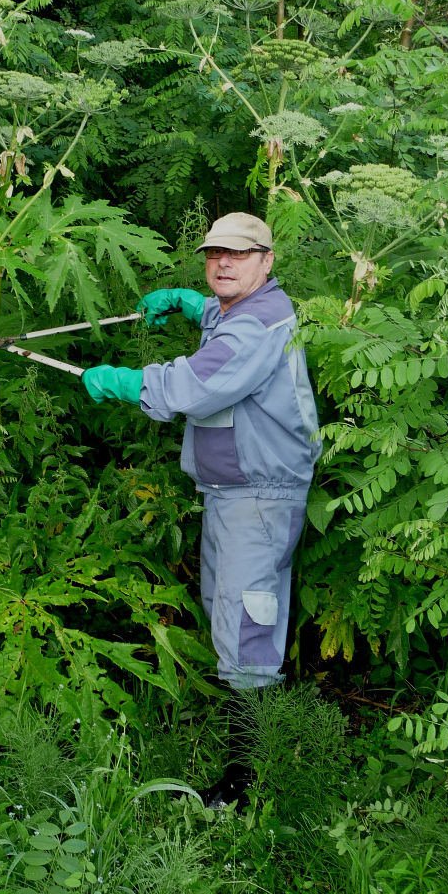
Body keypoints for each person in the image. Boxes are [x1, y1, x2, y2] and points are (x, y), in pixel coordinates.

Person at [81, 212, 321, 808]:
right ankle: (251, 763)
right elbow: (223, 317)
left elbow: (190, 386)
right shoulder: (242, 311)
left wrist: (120, 382)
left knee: (245, 628)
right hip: (231, 496)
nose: (223, 263)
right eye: (214, 253)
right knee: (231, 614)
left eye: (238, 255)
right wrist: (192, 304)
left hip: (260, 498)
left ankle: (245, 784)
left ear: (267, 261)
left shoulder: (257, 327)